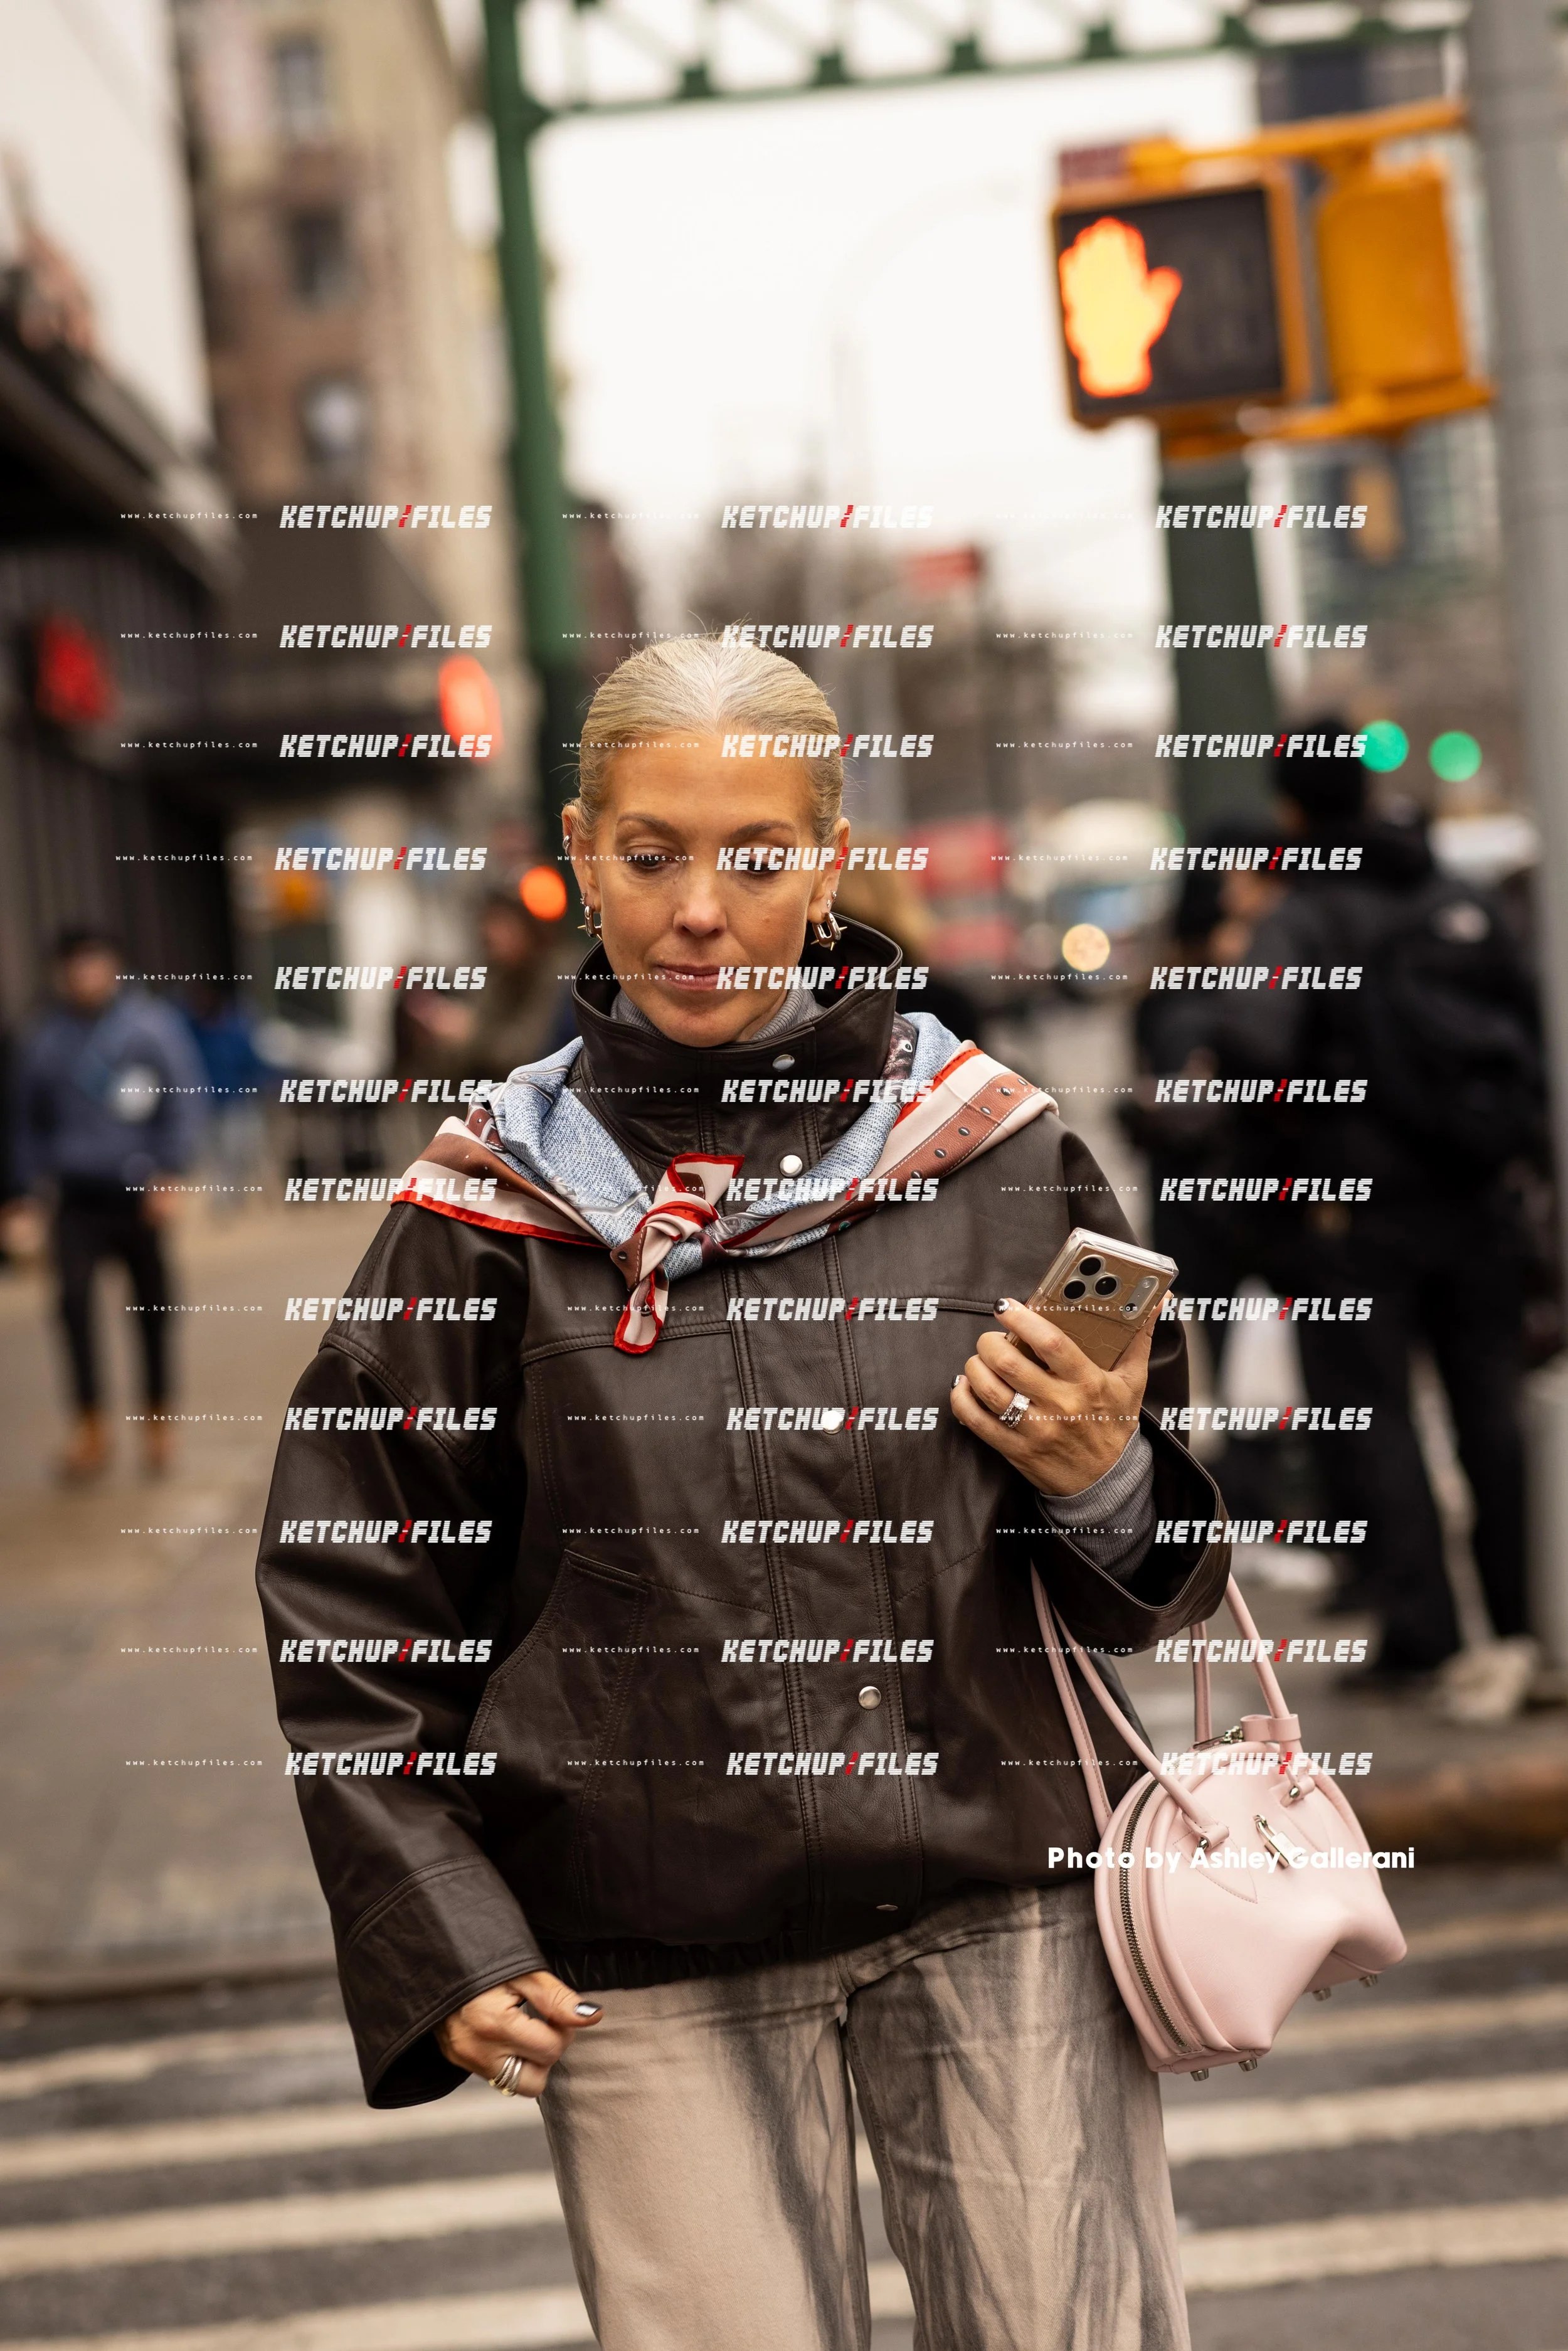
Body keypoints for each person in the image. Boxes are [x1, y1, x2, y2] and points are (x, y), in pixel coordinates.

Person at [257, 639, 1229, 2351]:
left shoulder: (1001, 1153)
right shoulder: (480, 1209)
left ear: (829, 857)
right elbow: (351, 1583)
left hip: (994, 1899)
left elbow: (1143, 1575)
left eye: (757, 856)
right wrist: (444, 1921)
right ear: (579, 845)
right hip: (635, 1941)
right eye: (650, 853)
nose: (700, 907)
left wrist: (1105, 1481)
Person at [1214, 722, 1545, 1711]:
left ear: (1290, 811)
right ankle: (1527, 1624)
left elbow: (1251, 1049)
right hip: (1479, 1202)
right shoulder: (1457, 897)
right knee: (1491, 1412)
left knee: (1375, 1421)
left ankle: (1426, 1637)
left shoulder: (1306, 916)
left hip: (1354, 1220)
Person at [13, 927, 206, 1478]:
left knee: (153, 1308)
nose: (84, 976)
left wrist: (171, 1173)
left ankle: (158, 1423)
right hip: (76, 1198)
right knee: (72, 1306)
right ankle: (91, 1426)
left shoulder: (150, 1028)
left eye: (93, 963)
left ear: (113, 965)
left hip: (141, 1193)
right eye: (73, 966)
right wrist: (23, 1195)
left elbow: (184, 1101)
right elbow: (27, 1124)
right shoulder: (44, 1040)